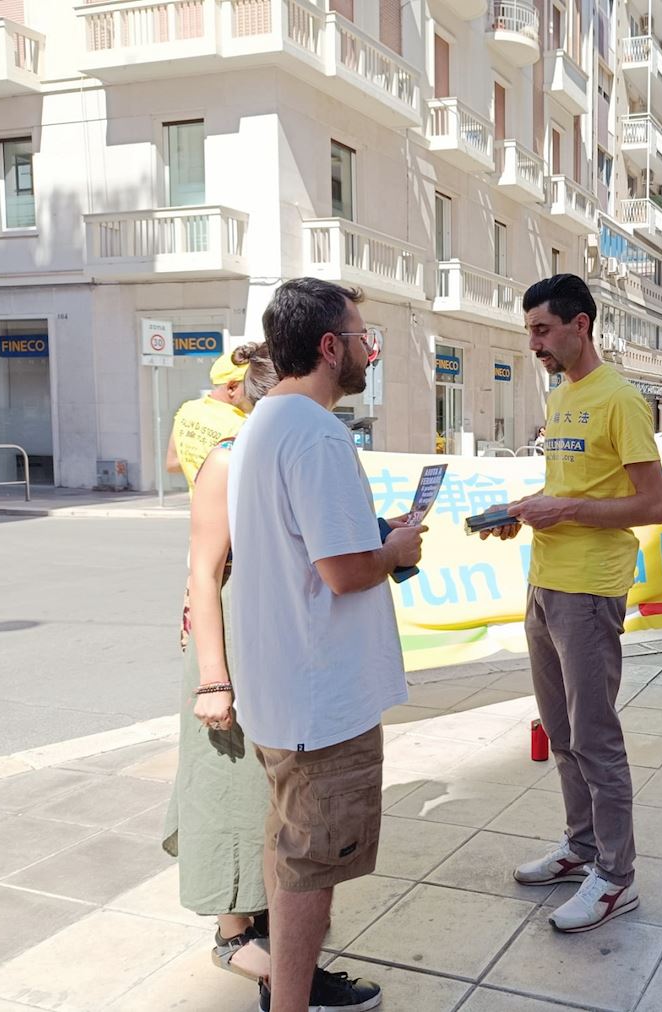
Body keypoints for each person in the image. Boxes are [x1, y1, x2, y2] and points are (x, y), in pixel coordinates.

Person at [228, 278, 425, 1012]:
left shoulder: (264, 422)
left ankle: (290, 988)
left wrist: (376, 538)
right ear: (329, 346)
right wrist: (396, 550)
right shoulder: (317, 434)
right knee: (313, 864)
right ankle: (292, 1002)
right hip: (320, 700)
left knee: (289, 848)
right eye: (364, 338)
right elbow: (344, 573)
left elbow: (308, 548)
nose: (371, 352)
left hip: (282, 691)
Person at [480, 274, 662, 933]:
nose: (533, 343)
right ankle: (581, 847)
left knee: (594, 738)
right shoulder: (562, 395)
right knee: (560, 734)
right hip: (546, 581)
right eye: (529, 331)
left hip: (590, 590)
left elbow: (654, 504)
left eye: (542, 330)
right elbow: (570, 488)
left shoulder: (621, 400)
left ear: (579, 325)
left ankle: (616, 877)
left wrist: (563, 510)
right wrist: (525, 512)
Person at [163, 342, 278, 984]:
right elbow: (204, 574)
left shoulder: (279, 454)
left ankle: (261, 910)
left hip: (262, 639)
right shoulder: (231, 459)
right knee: (228, 782)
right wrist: (214, 680)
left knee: (259, 787)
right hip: (226, 642)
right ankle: (234, 934)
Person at [167, 350, 252, 492]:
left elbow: (172, 464)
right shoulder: (241, 426)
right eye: (253, 386)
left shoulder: (187, 410)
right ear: (231, 387)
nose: (258, 393)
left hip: (197, 504)